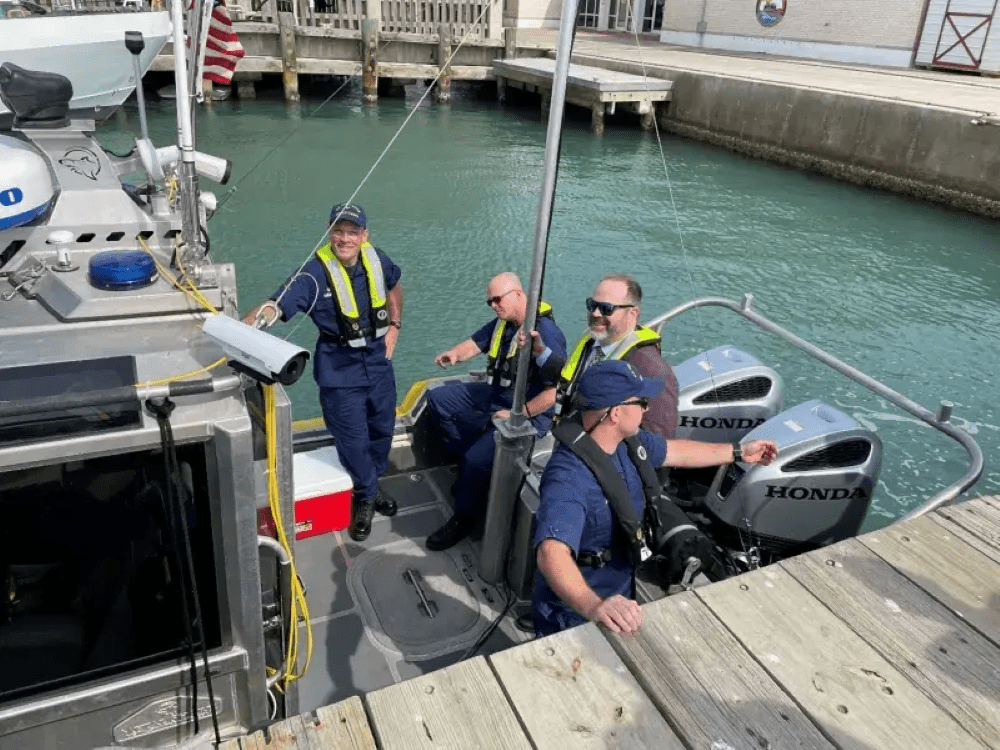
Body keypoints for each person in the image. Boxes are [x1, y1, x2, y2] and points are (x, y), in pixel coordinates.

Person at [532, 360, 777, 637]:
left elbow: (676, 452)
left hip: (621, 588)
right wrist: (596, 606)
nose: (647, 409)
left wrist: (739, 452)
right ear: (615, 413)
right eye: (642, 402)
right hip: (574, 613)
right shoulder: (568, 478)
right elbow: (551, 553)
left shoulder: (626, 442)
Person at [243, 204, 402, 543]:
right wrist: (250, 324)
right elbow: (279, 303)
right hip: (340, 372)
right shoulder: (313, 274)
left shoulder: (377, 259)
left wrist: (395, 325)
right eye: (339, 231)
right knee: (353, 440)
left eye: (352, 232)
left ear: (364, 235)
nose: (345, 238)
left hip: (378, 364)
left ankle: (371, 485)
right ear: (329, 232)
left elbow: (395, 285)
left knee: (383, 429)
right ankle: (365, 496)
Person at [425, 272, 567, 551]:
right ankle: (468, 466)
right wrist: (454, 354)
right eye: (489, 301)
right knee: (438, 399)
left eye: (497, 299)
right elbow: (476, 343)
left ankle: (464, 519)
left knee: (476, 459)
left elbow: (555, 392)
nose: (493, 305)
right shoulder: (504, 322)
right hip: (494, 396)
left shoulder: (545, 333)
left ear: (518, 294)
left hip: (524, 413)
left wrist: (521, 413)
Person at [531, 273, 678, 439]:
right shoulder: (591, 342)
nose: (595, 314)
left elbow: (658, 437)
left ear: (632, 313)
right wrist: (542, 353)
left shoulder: (650, 367)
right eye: (592, 305)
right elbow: (573, 381)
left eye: (606, 308)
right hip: (569, 441)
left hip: (600, 459)